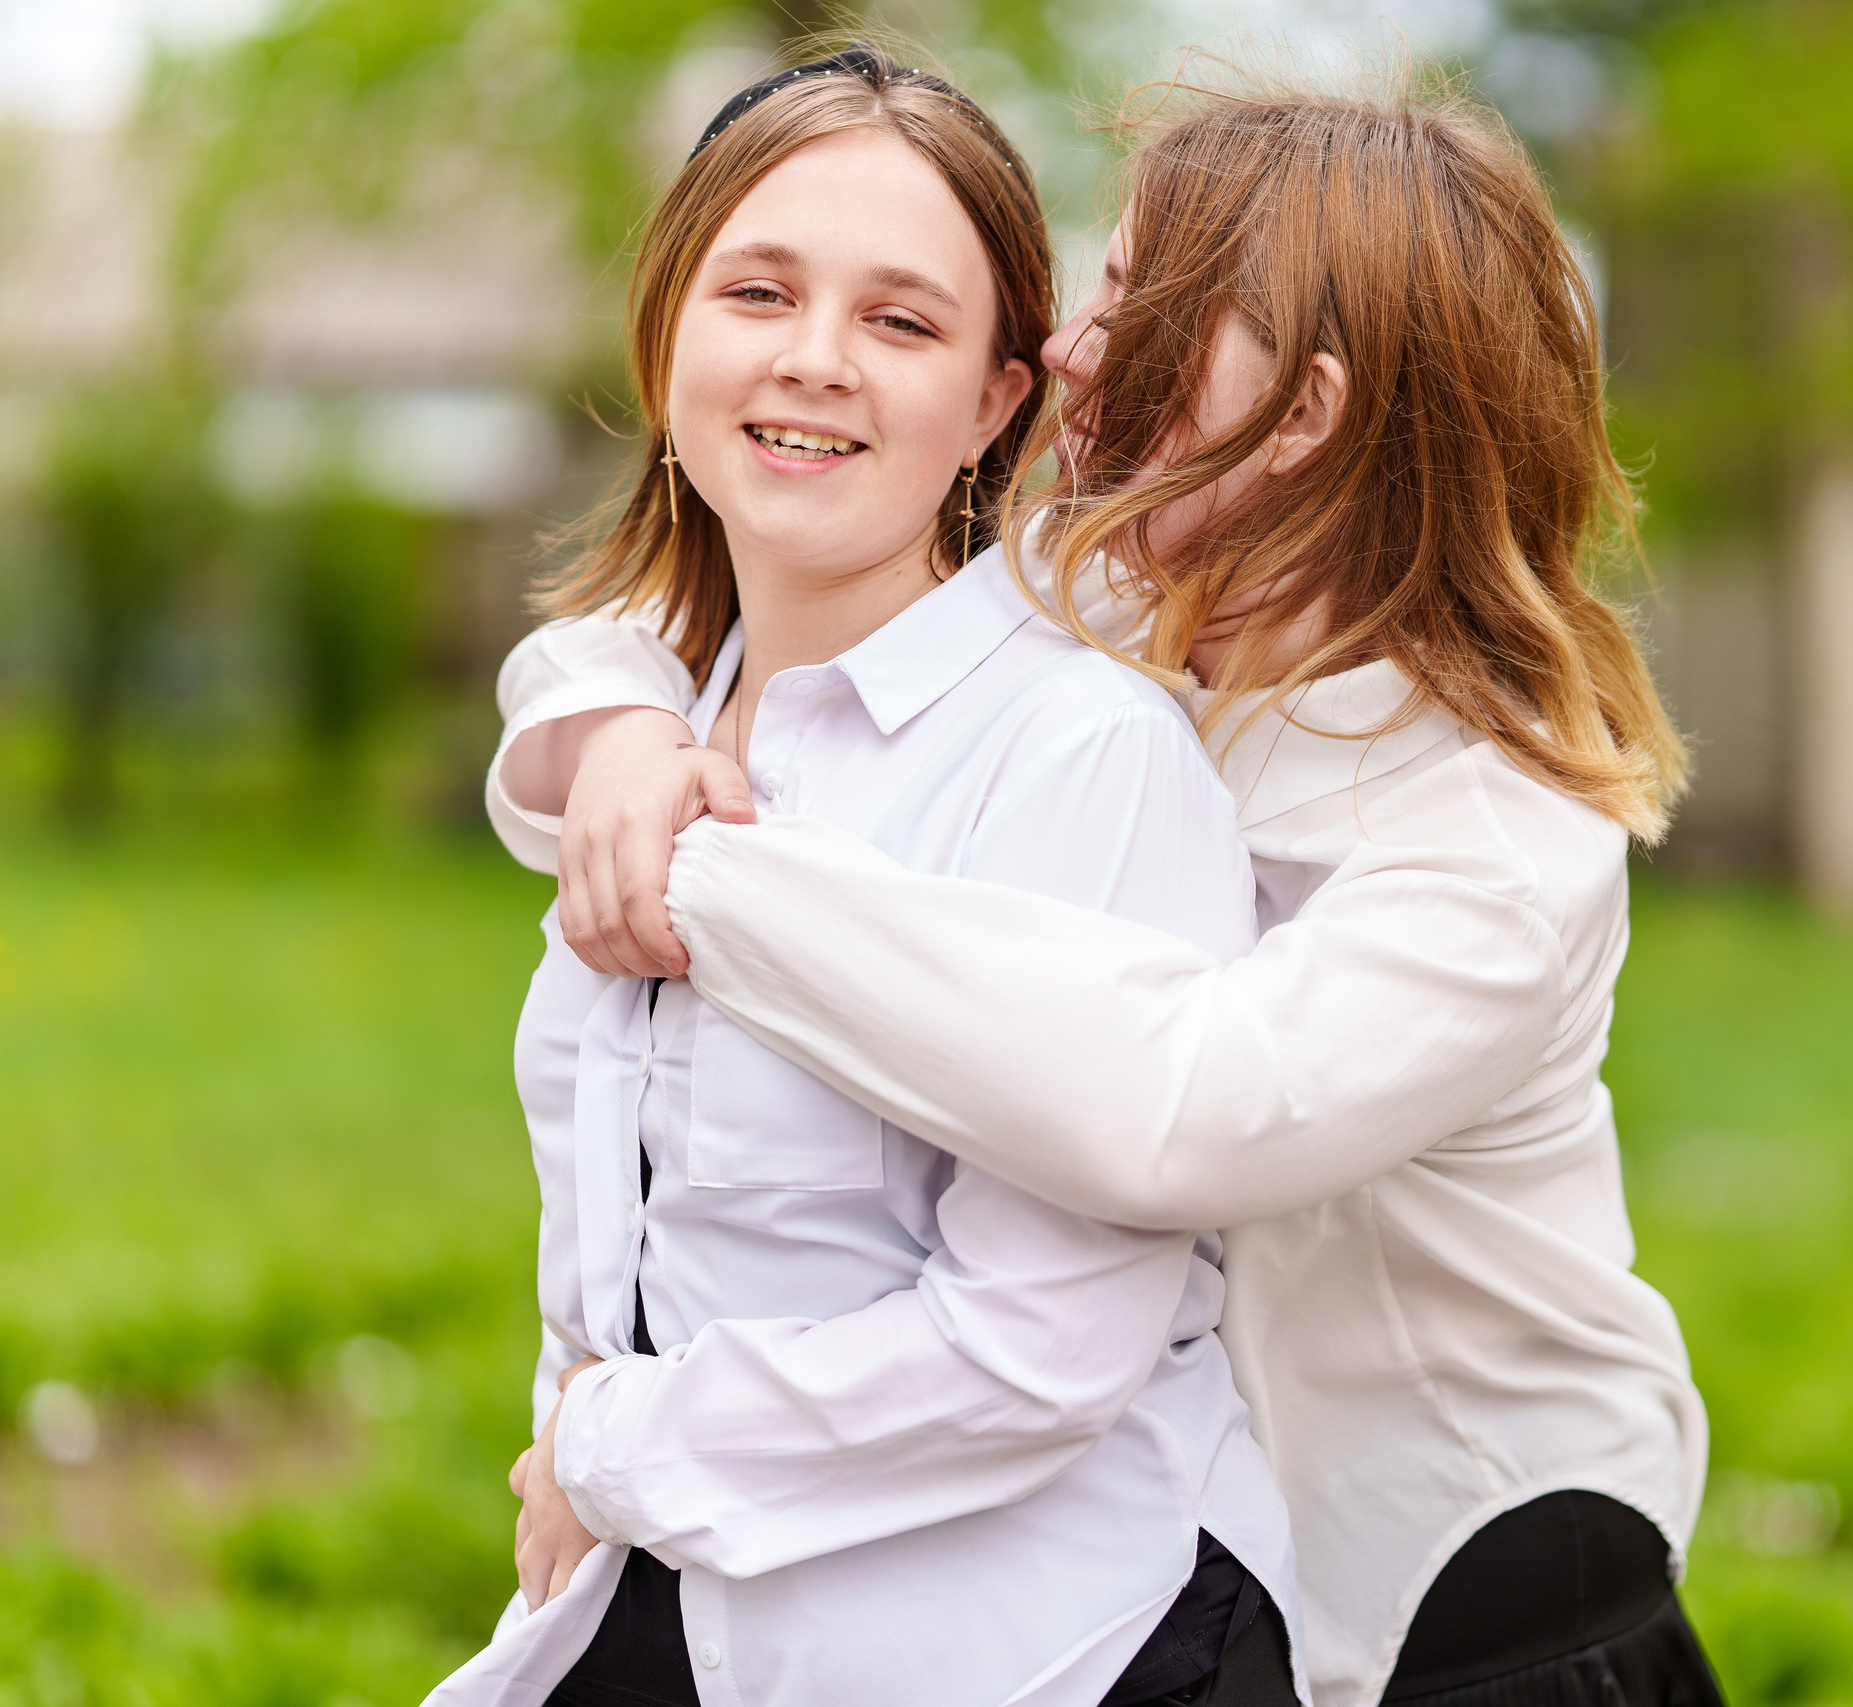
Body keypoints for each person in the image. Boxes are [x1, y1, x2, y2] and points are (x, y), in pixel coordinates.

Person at [491, 70, 1723, 1707]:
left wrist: (690, 870)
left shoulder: (1491, 839)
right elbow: (722, 607)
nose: (1079, 342)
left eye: (1145, 304)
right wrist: (629, 733)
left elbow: (1178, 1110)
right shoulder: (1136, 616)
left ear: (1302, 415)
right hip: (1196, 1567)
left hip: (1477, 1606)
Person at [439, 48, 1305, 1707]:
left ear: (996, 400)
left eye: (903, 323)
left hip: (1036, 1649)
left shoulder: (1081, 754)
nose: (815, 360)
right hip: (665, 1607)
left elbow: (1039, 1343)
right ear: (670, 336)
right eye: (758, 291)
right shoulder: (660, 712)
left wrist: (609, 1445)